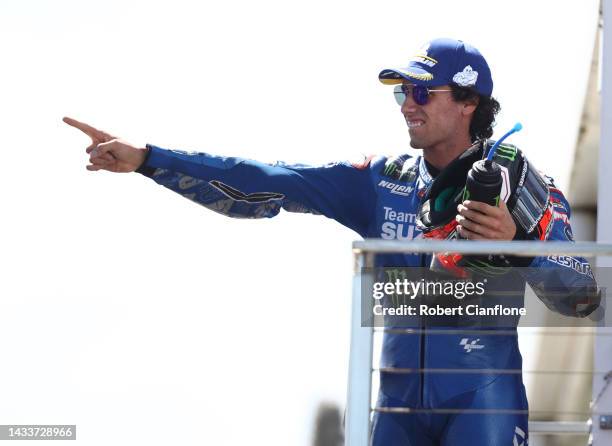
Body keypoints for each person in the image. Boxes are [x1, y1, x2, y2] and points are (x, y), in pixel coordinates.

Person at [65, 37, 599, 445]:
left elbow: (581, 295)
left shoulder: (523, 186)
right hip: (391, 405)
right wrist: (151, 159)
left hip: (484, 401)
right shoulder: (379, 178)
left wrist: (516, 244)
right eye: (400, 93)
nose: (406, 105)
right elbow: (265, 179)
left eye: (420, 92)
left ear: (468, 102)